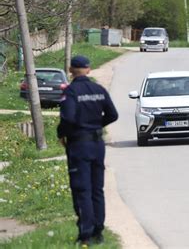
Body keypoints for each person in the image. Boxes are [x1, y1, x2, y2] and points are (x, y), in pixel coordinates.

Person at [57, 55, 118, 246]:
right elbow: (112, 114)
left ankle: (86, 233)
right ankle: (99, 231)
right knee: (97, 189)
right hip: (97, 144)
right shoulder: (98, 90)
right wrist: (95, 125)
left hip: (79, 145)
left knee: (82, 189)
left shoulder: (71, 92)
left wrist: (62, 135)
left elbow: (68, 119)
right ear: (89, 70)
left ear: (70, 69)